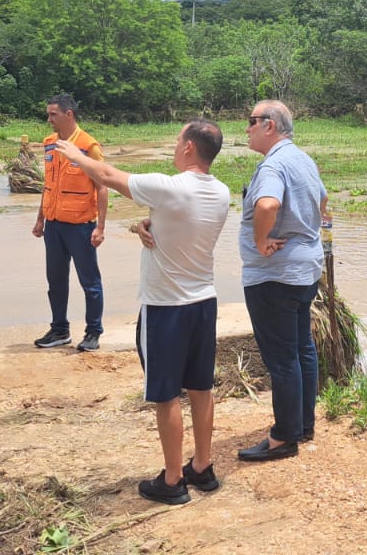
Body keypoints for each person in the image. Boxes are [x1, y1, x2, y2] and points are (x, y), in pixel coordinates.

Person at [53, 120, 231, 505]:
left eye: (176, 139)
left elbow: (108, 175)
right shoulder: (221, 192)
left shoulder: (169, 187)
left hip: (166, 307)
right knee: (201, 388)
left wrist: (73, 153)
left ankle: (171, 481)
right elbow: (184, 226)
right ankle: (202, 466)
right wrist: (145, 225)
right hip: (204, 302)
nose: (173, 145)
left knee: (166, 395)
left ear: (187, 148)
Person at [236, 100, 329, 463]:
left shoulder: (273, 164)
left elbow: (267, 206)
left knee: (282, 358)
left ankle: (283, 437)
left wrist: (261, 242)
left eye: (252, 121)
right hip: (305, 269)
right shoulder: (303, 159)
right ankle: (303, 424)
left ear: (270, 126)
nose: (247, 128)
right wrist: (305, 233)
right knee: (302, 347)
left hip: (275, 274)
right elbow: (323, 201)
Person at [31, 94, 110, 352]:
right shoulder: (50, 144)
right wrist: (40, 219)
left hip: (81, 226)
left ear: (69, 115)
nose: (49, 119)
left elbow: (102, 187)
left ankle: (93, 332)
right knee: (55, 281)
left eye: (53, 114)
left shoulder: (89, 146)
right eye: (48, 114)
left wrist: (100, 227)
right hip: (53, 225)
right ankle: (59, 329)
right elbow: (48, 185)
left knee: (90, 282)